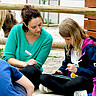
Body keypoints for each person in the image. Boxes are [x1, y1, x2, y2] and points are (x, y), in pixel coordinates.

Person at [39, 18, 96, 96]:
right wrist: (60, 71)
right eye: (65, 39)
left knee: (77, 81)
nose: (66, 41)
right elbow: (65, 64)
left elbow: (93, 72)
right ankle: (74, 92)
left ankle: (55, 88)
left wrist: (77, 70)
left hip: (84, 79)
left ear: (75, 35)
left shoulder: (90, 48)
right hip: (70, 79)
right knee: (43, 77)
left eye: (68, 39)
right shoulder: (69, 47)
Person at [3, 5, 53, 89]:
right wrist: (25, 64)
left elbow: (38, 65)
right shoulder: (16, 30)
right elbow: (8, 57)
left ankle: (10, 81)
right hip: (15, 70)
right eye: (34, 27)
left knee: (32, 70)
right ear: (25, 25)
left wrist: (22, 67)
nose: (38, 29)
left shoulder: (47, 38)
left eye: (40, 25)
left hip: (30, 74)